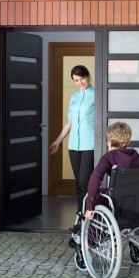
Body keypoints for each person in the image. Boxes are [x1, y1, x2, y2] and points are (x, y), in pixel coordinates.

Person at [85, 121, 139, 220]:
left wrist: (89, 207)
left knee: (93, 197)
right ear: (128, 140)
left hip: (118, 205)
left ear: (109, 141)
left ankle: (93, 234)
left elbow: (95, 178)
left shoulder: (108, 157)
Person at [49, 65, 95, 214]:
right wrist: (57, 141)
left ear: (88, 76)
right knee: (78, 185)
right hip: (74, 145)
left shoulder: (96, 95)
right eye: (76, 80)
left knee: (85, 183)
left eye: (82, 78)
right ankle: (80, 219)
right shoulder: (74, 96)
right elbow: (70, 122)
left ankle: (89, 218)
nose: (80, 82)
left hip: (90, 145)